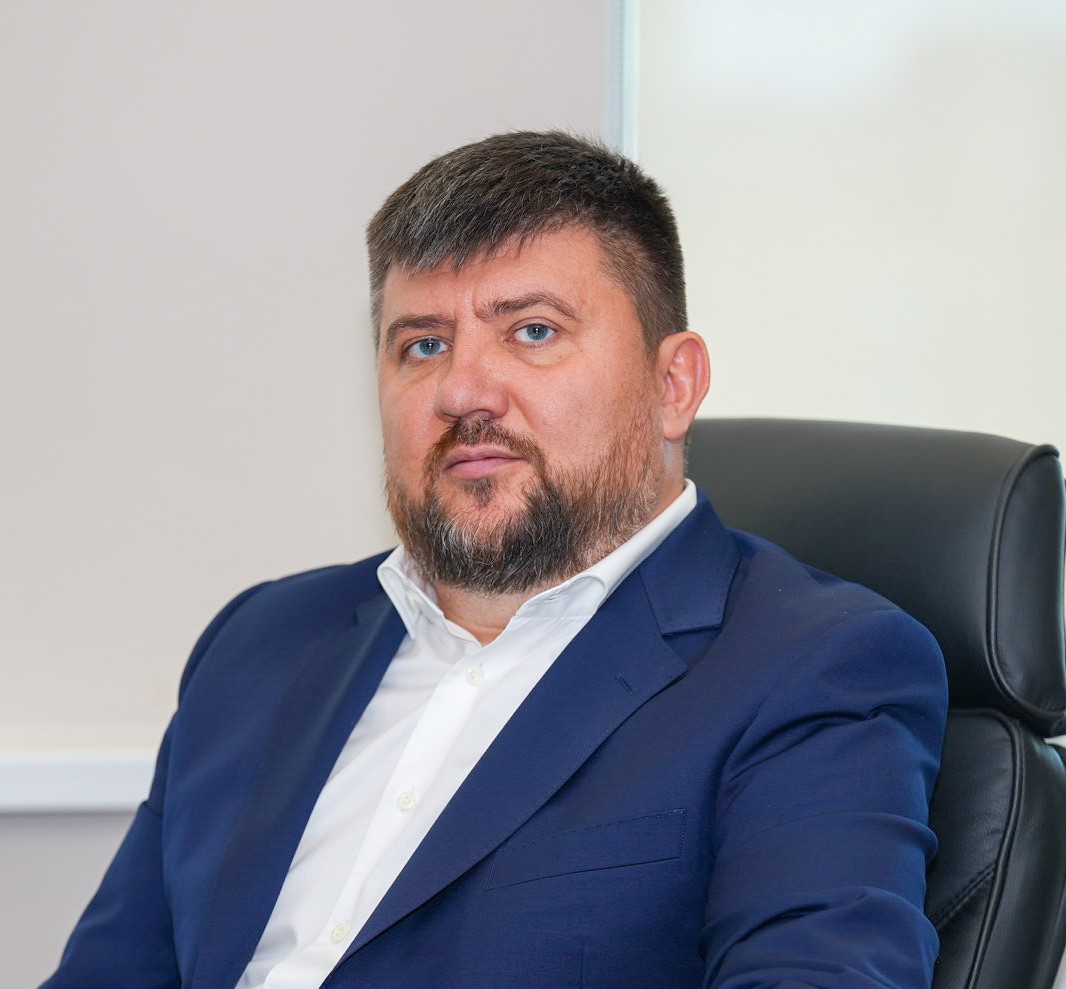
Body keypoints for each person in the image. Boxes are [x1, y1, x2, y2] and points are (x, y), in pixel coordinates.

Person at [41, 131, 947, 989]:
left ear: (673, 385)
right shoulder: (260, 643)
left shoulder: (813, 667)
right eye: (424, 344)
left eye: (533, 331)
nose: (463, 390)